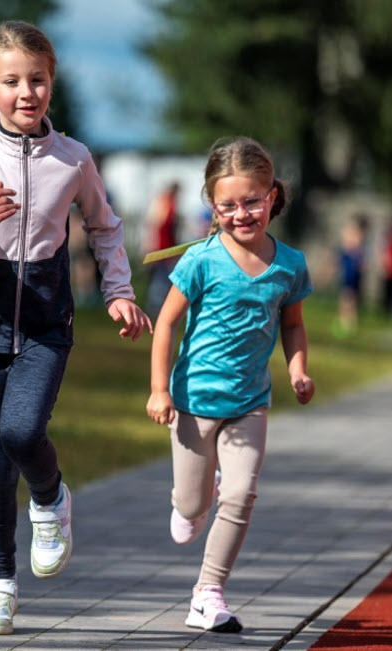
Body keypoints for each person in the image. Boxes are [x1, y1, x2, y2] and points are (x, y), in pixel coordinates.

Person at [0, 20, 152, 636]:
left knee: (23, 432)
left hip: (48, 321)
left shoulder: (73, 158)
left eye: (39, 79)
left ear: (53, 84)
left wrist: (119, 292)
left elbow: (105, 227)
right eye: (12, 81)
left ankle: (51, 499)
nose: (27, 92)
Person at [146, 136, 315, 633]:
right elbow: (166, 324)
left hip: (250, 404)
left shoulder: (290, 265)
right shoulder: (200, 260)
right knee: (190, 509)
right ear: (212, 205)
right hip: (194, 402)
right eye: (228, 205)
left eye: (252, 201)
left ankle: (208, 594)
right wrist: (159, 389)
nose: (242, 214)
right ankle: (193, 499)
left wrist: (298, 369)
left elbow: (293, 325)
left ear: (272, 196)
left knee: (241, 495)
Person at [144, 182, 181, 318]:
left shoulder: (166, 205)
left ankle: (160, 306)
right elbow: (157, 227)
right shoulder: (165, 204)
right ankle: (155, 307)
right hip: (162, 248)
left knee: (163, 279)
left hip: (167, 248)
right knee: (160, 280)